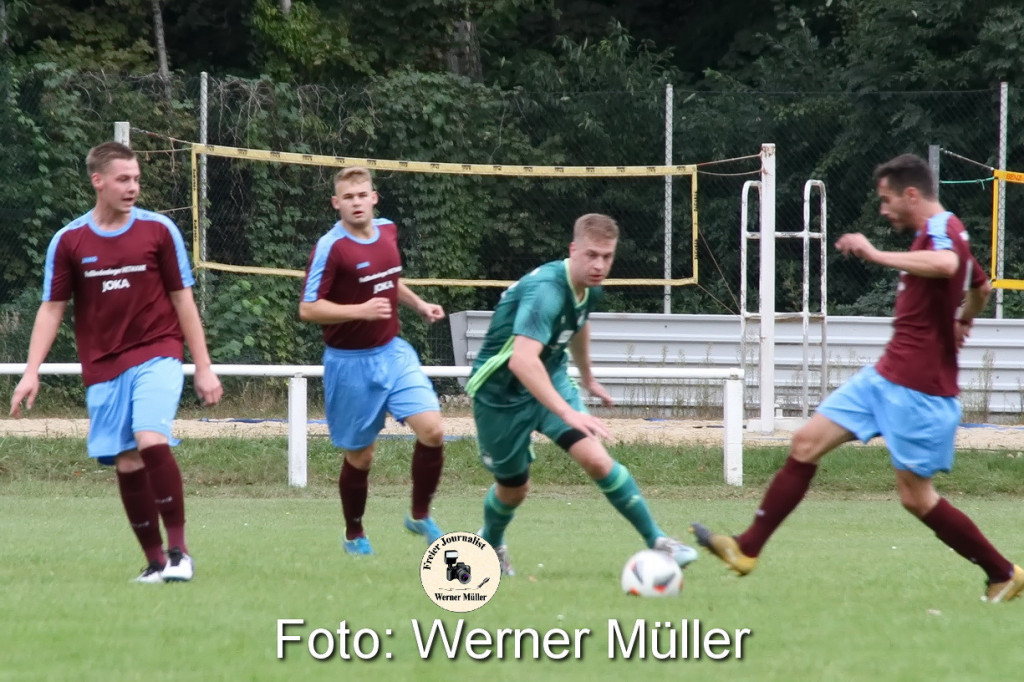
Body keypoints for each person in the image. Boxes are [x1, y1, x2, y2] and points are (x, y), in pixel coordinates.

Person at [691, 153, 1024, 603]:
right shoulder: (941, 233)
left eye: (887, 201)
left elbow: (948, 268)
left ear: (912, 194)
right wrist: (965, 319)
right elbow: (980, 287)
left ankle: (1003, 572)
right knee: (805, 443)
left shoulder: (943, 230)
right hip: (885, 376)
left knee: (916, 498)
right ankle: (747, 548)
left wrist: (873, 254)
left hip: (919, 389)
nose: (883, 210)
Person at [9, 141, 223, 584]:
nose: (133, 187)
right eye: (124, 179)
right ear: (98, 181)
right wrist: (31, 371)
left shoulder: (160, 231)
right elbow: (52, 309)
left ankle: (180, 552)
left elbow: (183, 301)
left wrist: (203, 365)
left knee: (149, 437)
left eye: (137, 179)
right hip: (103, 365)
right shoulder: (69, 241)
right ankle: (155, 563)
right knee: (126, 460)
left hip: (157, 351)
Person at [466, 213, 699, 576]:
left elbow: (579, 322)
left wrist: (588, 378)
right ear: (573, 250)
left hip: (552, 377)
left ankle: (660, 542)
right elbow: (522, 362)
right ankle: (492, 542)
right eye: (591, 255)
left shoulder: (589, 288)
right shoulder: (546, 290)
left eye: (607, 256)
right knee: (514, 487)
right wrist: (569, 412)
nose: (599, 265)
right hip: (500, 393)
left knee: (597, 460)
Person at [299, 167, 446, 555]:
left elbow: (389, 280)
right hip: (349, 363)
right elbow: (309, 309)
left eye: (362, 195)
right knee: (361, 456)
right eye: (348, 197)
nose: (356, 202)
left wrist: (419, 305)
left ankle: (419, 514)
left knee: (432, 429)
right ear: (337, 204)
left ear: (374, 197)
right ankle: (355, 534)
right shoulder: (330, 247)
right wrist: (358, 311)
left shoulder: (389, 231)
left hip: (393, 352)